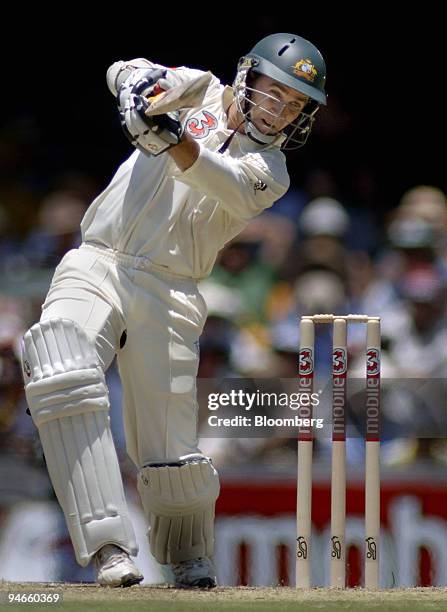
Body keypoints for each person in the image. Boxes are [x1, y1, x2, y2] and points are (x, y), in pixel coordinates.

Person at [21, 33, 327, 588]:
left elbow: (221, 180)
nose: (283, 110)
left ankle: (186, 559)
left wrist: (171, 139)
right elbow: (122, 68)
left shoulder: (270, 170)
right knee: (60, 364)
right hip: (100, 261)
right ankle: (110, 546)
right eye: (276, 93)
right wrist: (139, 92)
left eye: (296, 104)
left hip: (171, 289)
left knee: (169, 452)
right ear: (248, 76)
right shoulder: (201, 90)